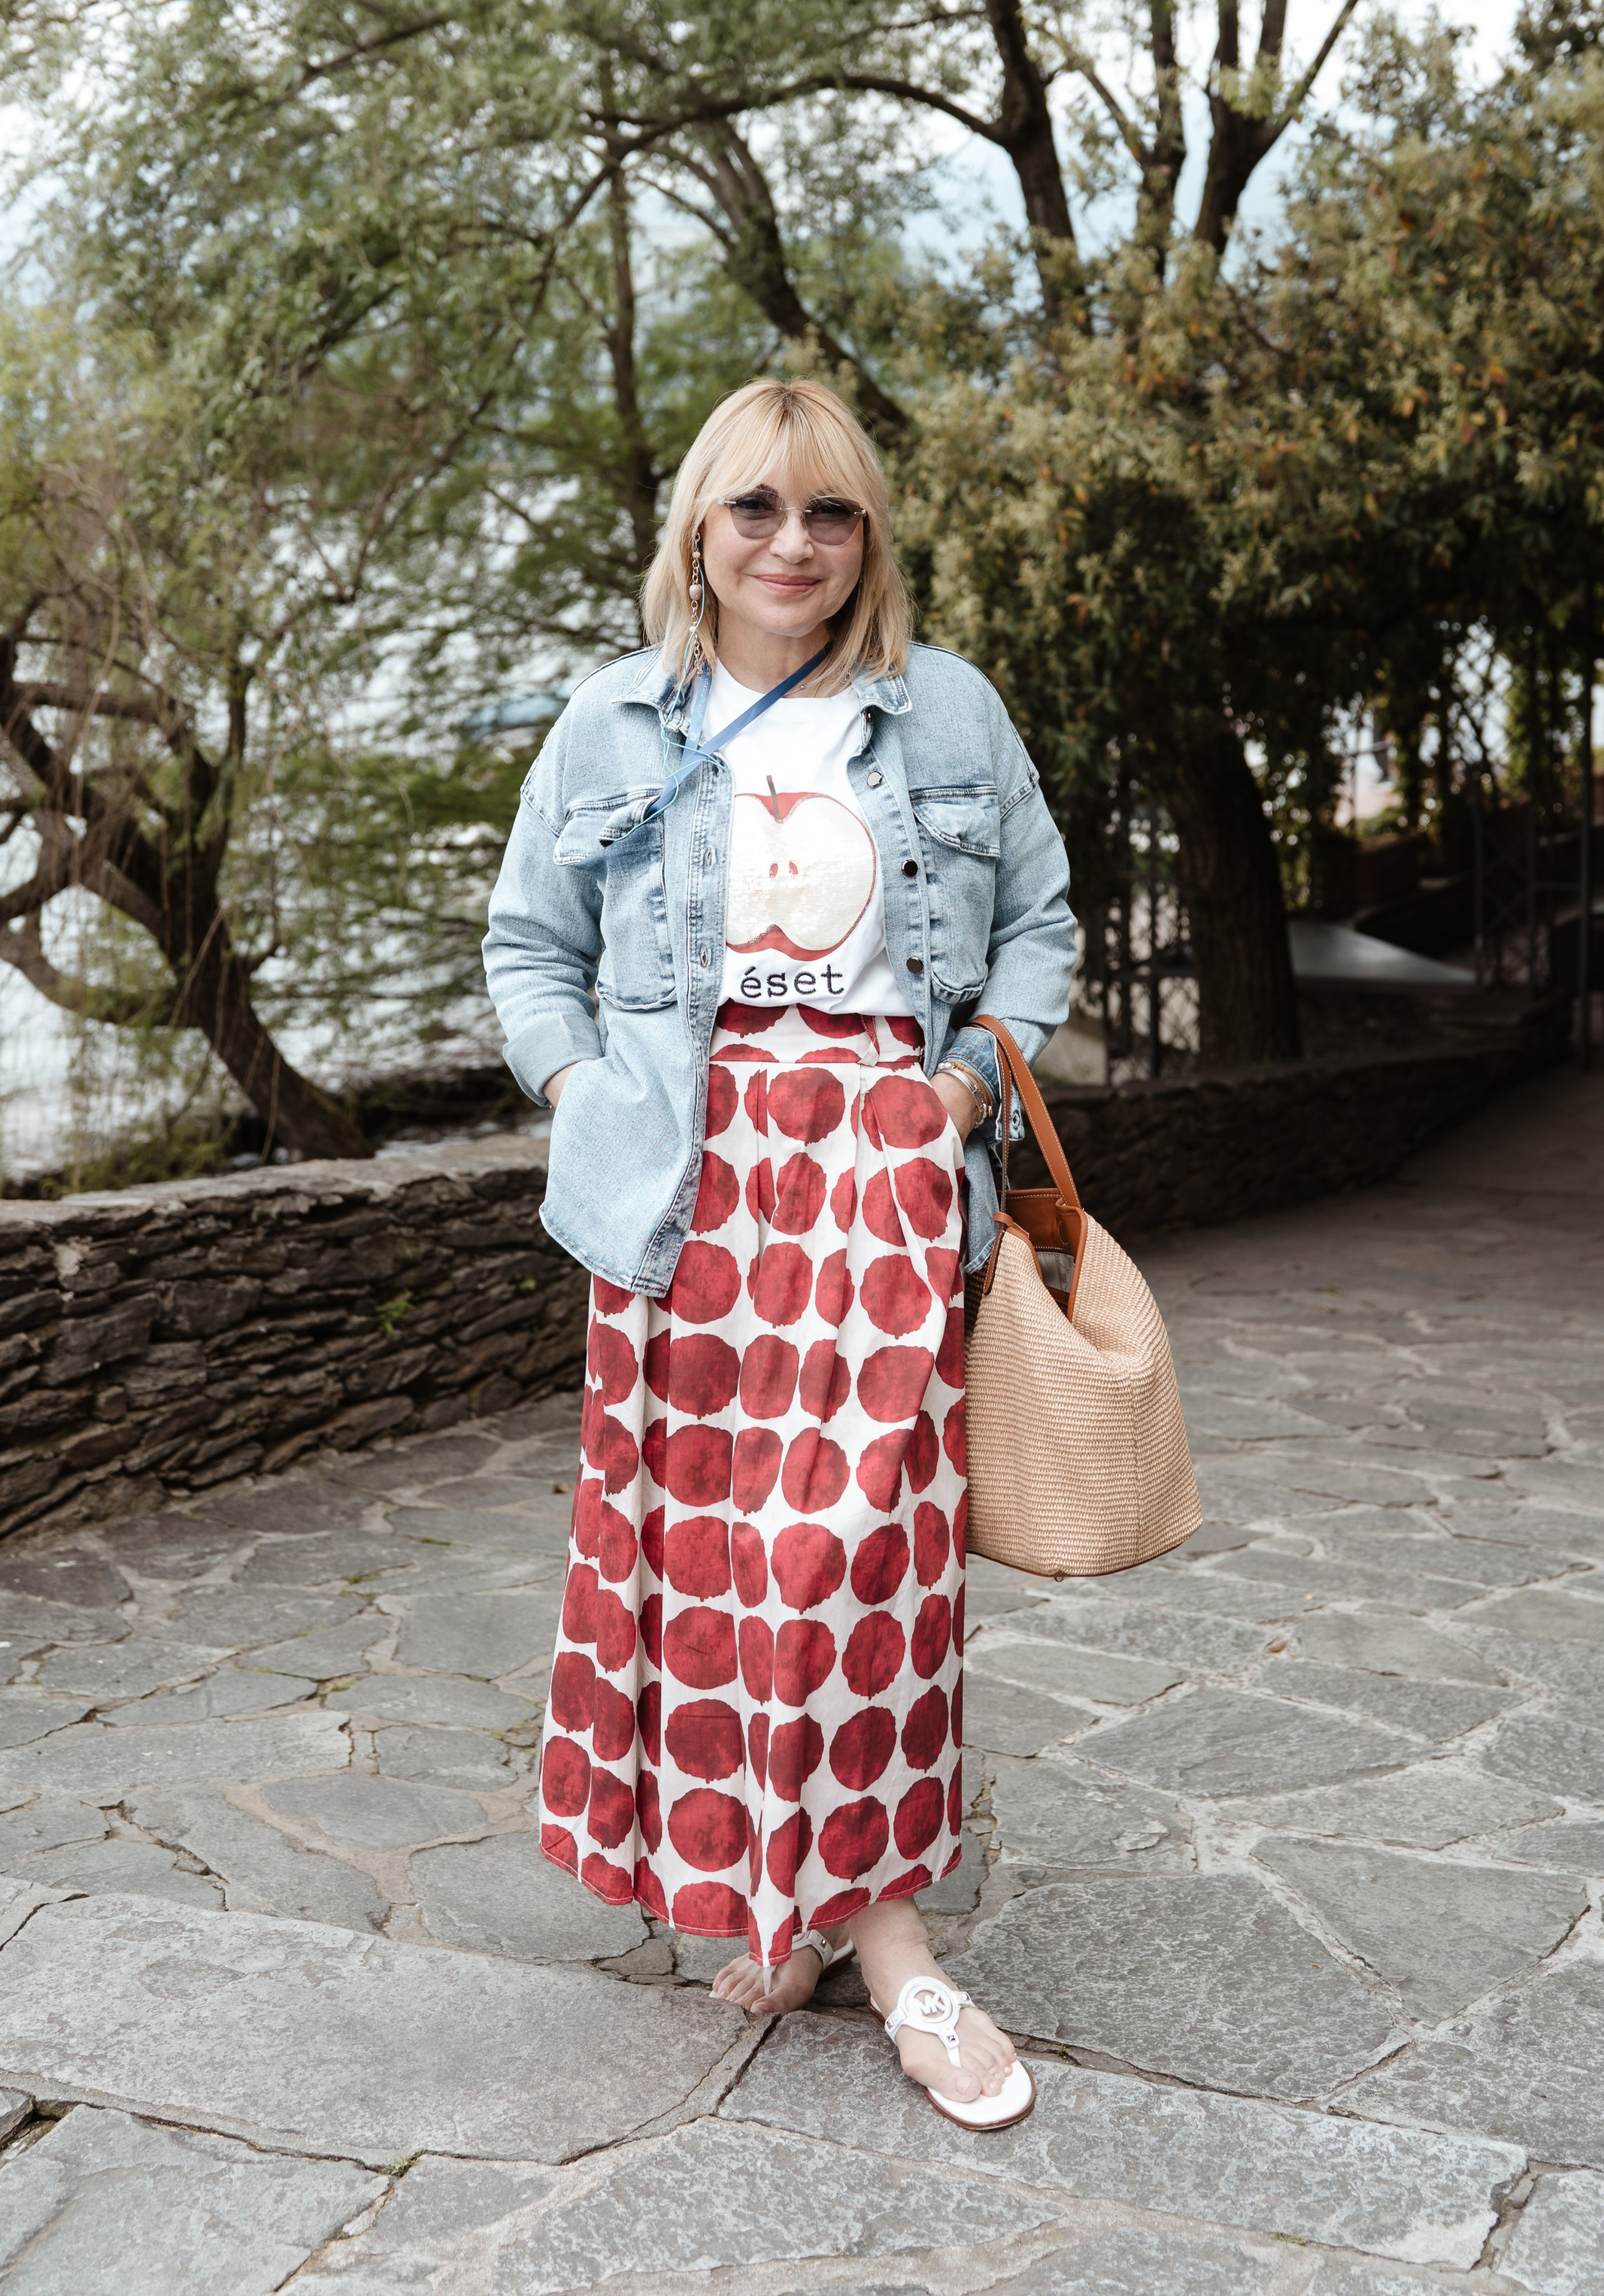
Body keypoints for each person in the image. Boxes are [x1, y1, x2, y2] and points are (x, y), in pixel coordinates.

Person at [484, 376, 1076, 2131]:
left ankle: (886, 1946)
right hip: (685, 1191)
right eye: (755, 507)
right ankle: (800, 1914)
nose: (792, 544)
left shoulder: (944, 710)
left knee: (855, 1566)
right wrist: (586, 1097)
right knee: (716, 1570)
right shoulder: (609, 721)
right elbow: (529, 948)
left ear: (867, 535)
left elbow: (1037, 922)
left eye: (829, 512)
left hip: (881, 1174)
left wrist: (958, 1091)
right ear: (697, 525)